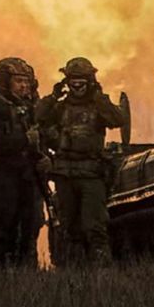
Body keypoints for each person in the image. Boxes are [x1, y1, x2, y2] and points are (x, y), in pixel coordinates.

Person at [36, 57, 127, 266]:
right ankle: (73, 275)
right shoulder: (58, 108)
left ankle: (101, 276)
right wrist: (52, 97)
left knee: (95, 228)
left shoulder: (98, 107)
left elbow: (118, 120)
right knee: (69, 229)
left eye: (82, 82)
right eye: (73, 82)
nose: (77, 87)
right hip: (64, 175)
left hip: (91, 175)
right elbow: (37, 118)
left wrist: (100, 97)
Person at [0, 57, 47, 266]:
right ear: (5, 82)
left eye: (27, 82)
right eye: (18, 81)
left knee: (30, 229)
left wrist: (45, 159)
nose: (24, 86)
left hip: (28, 178)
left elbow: (44, 138)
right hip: (1, 178)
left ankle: (25, 277)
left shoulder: (33, 109)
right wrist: (24, 140)